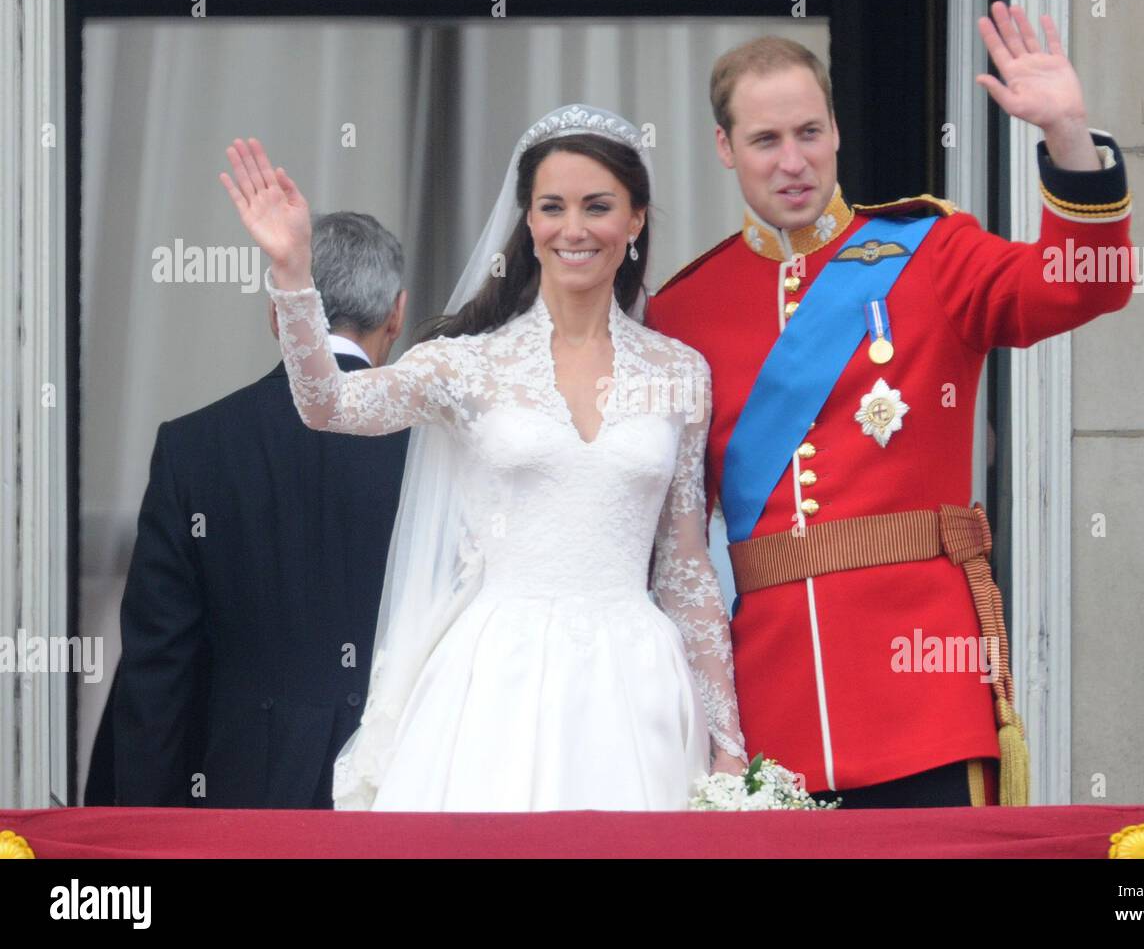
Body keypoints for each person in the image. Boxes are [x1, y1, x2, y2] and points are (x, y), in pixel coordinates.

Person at [645, 3, 1135, 808]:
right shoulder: (682, 313)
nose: (793, 160)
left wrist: (1068, 134)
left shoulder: (932, 253)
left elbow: (1085, 282)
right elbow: (666, 534)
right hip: (777, 709)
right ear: (726, 149)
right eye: (766, 141)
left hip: (925, 695)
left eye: (809, 132)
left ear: (836, 132)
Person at [218, 105, 748, 812]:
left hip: (639, 682)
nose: (575, 229)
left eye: (598, 206)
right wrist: (291, 271)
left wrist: (726, 736)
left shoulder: (680, 371)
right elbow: (328, 404)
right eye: (552, 207)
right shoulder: (470, 364)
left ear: (636, 219)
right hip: (497, 676)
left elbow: (685, 568)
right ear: (528, 223)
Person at [108, 212, 411, 809]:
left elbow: (158, 667)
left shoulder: (193, 447)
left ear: (278, 313)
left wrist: (142, 827)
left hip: (242, 797)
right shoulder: (434, 448)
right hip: (402, 789)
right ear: (397, 314)